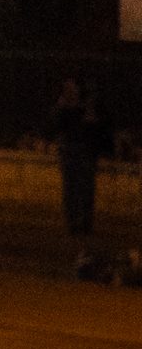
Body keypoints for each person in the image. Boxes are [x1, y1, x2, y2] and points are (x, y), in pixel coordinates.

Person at [53, 79, 108, 236]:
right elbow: (56, 126)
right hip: (72, 152)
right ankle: (74, 222)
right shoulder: (64, 108)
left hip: (83, 152)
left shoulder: (86, 108)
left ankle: (84, 223)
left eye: (73, 88)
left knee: (85, 190)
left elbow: (96, 128)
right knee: (72, 189)